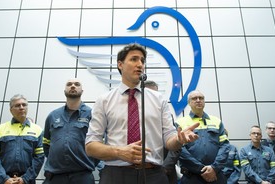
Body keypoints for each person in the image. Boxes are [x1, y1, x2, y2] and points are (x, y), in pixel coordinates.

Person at [85, 43, 199, 184]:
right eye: (134, 59)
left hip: (154, 175)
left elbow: (169, 140)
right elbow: (90, 146)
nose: (140, 64)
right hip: (115, 175)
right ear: (120, 64)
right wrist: (119, 152)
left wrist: (179, 140)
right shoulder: (104, 100)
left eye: (142, 61)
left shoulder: (159, 100)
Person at [43, 78, 98, 184]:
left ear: (82, 91)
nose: (73, 86)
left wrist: (88, 163)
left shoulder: (92, 114)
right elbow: (46, 144)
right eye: (69, 84)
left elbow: (99, 143)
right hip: (55, 177)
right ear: (64, 91)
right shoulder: (53, 115)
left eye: (77, 84)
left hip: (82, 176)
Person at [177, 90, 230, 184]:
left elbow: (225, 146)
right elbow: (180, 150)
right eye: (194, 98)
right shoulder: (180, 123)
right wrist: (201, 169)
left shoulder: (216, 121)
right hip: (192, 177)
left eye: (201, 98)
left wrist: (214, 168)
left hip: (216, 175)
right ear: (189, 102)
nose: (198, 100)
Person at [0, 94, 44, 184]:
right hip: (1, 181)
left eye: (24, 105)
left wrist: (25, 179)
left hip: (27, 181)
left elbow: (39, 158)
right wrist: (4, 178)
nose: (21, 107)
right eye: (17, 105)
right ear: (11, 110)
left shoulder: (38, 131)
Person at [144, 80, 180, 184]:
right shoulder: (133, 114)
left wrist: (165, 167)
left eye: (156, 94)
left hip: (165, 172)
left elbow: (176, 146)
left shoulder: (167, 116)